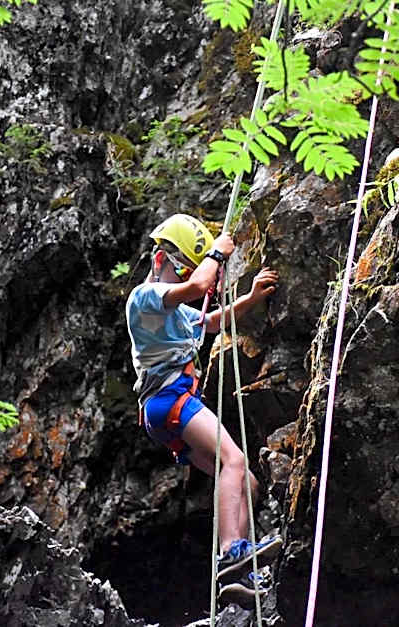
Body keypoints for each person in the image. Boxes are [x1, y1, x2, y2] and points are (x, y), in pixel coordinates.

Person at [125, 213, 282, 604]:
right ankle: (231, 550)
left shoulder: (177, 314)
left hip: (166, 412)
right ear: (159, 259)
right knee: (234, 459)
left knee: (247, 481)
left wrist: (250, 298)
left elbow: (211, 322)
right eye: (179, 269)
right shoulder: (144, 298)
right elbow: (199, 286)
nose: (183, 279)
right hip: (170, 401)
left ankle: (240, 577)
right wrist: (216, 252)